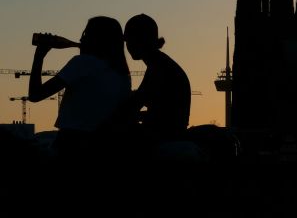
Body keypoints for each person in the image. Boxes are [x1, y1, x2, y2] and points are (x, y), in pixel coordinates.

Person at [28, 16, 132, 160]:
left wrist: (39, 56)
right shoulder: (123, 73)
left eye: (86, 34)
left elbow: (35, 95)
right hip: (104, 146)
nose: (81, 39)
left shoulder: (83, 63)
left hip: (71, 144)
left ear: (97, 39)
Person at [122, 14, 191, 149]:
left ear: (140, 40)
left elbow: (134, 105)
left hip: (163, 136)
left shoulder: (159, 68)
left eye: (129, 40)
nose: (128, 46)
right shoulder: (160, 63)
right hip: (168, 132)